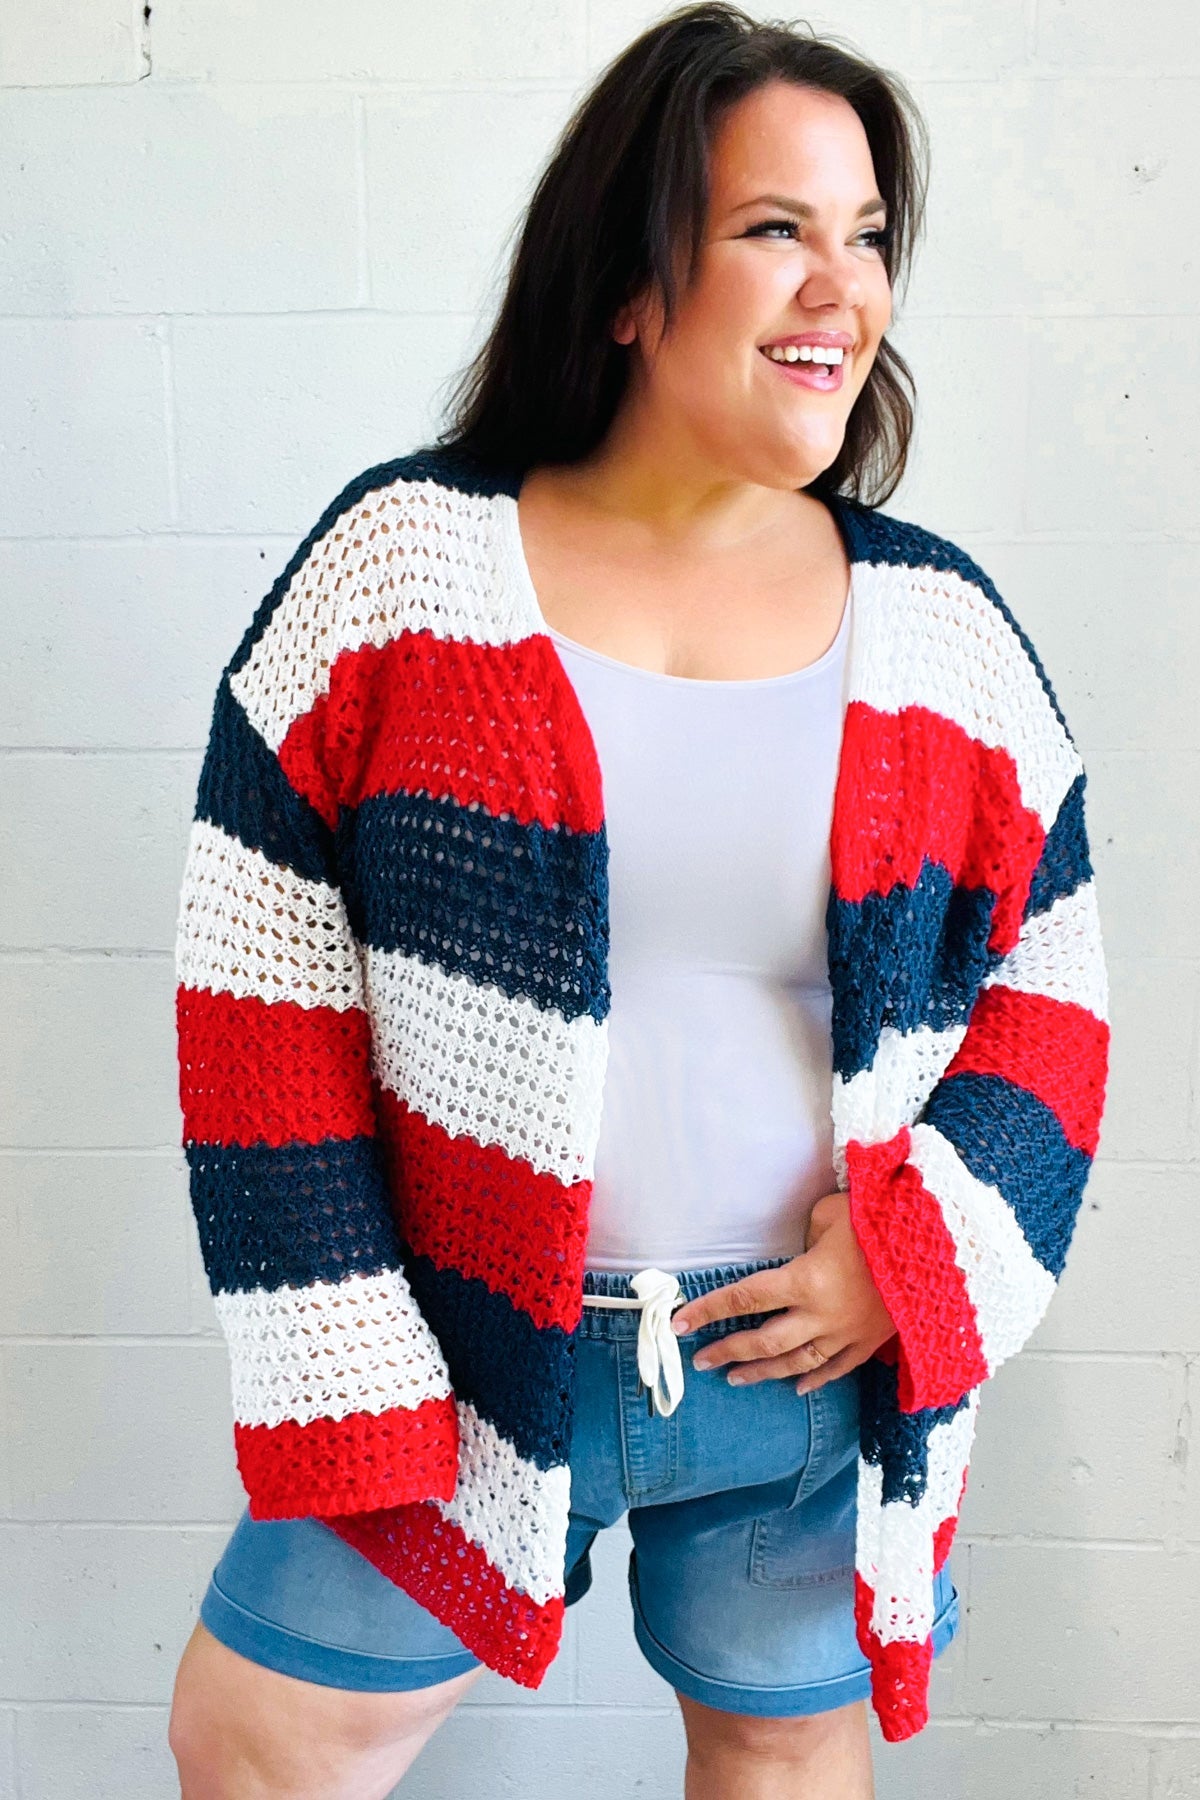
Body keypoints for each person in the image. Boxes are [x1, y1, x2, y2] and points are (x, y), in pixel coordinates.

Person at [167, 6, 1110, 1797]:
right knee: (259, 1744)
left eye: (868, 236)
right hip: (456, 1354)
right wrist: (345, 1346)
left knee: (779, 1755)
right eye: (777, 228)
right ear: (625, 281)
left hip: (803, 1373)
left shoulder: (941, 633)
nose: (842, 286)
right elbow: (258, 981)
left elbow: (1051, 989)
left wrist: (913, 1264)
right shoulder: (402, 572)